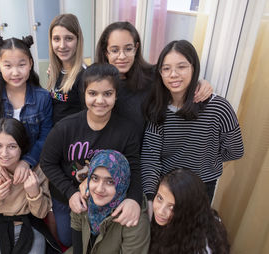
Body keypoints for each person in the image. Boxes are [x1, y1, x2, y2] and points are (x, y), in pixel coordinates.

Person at [40, 63, 143, 247]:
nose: (100, 100)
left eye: (108, 94)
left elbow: (134, 167)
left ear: (116, 95)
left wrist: (134, 200)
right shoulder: (65, 127)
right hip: (68, 195)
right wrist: (70, 192)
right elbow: (47, 162)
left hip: (108, 197)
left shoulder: (127, 130)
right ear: (84, 94)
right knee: (67, 240)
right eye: (93, 93)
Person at [141, 40, 244, 215]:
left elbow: (235, 150)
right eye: (166, 69)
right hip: (164, 188)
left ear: (193, 68)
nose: (173, 74)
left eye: (181, 67)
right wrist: (150, 197)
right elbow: (151, 157)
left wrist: (207, 160)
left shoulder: (219, 108)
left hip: (201, 188)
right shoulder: (157, 108)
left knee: (189, 237)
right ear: (160, 73)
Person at [95, 21, 213, 139]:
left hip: (144, 152)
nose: (122, 56)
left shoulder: (152, 75)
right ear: (106, 52)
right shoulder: (93, 80)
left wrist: (200, 82)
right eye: (115, 50)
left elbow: (174, 77)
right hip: (105, 152)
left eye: (128, 48)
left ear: (136, 48)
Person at [0, 118, 61, 254]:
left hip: (30, 224)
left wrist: (34, 194)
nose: (4, 154)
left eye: (12, 146)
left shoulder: (37, 170)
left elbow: (41, 213)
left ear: (22, 147)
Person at [0, 33, 52, 184]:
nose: (15, 72)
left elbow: (45, 138)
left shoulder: (43, 97)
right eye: (8, 65)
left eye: (21, 64)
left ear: (30, 64)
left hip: (33, 169)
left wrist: (26, 161)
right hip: (0, 168)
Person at [69, 150, 150, 254]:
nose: (99, 189)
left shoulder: (134, 220)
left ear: (122, 183)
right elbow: (77, 233)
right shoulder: (85, 198)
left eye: (110, 182)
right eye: (95, 178)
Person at [149, 169, 230, 254]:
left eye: (172, 207)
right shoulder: (154, 220)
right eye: (160, 198)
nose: (160, 211)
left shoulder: (202, 245)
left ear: (189, 209)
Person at [48, 13, 86, 124]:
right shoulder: (54, 72)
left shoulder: (85, 76)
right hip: (56, 136)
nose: (62, 45)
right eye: (56, 39)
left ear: (78, 40)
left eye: (69, 38)